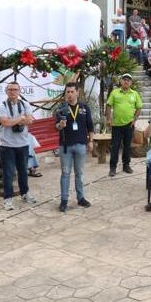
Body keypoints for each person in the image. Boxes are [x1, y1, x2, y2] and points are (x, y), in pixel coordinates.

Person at [55, 82, 93, 213]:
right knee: (65, 173)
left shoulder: (84, 108)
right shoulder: (61, 109)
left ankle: (80, 198)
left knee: (79, 174)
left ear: (77, 92)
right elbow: (57, 127)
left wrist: (91, 141)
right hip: (65, 146)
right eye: (67, 92)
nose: (69, 94)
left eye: (72, 92)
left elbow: (90, 126)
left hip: (81, 145)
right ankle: (64, 200)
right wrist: (60, 124)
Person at [0, 82, 36, 210]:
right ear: (6, 92)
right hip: (7, 145)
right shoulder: (2, 106)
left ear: (19, 91)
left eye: (15, 89)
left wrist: (18, 119)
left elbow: (30, 120)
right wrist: (21, 118)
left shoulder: (25, 104)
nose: (13, 92)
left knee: (23, 171)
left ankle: (25, 193)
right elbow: (5, 122)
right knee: (8, 173)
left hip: (23, 144)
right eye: (10, 89)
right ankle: (8, 199)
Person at [105, 73, 143, 177]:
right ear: (121, 81)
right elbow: (108, 105)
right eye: (124, 79)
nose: (126, 81)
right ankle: (112, 168)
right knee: (115, 147)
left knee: (127, 147)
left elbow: (139, 107)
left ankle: (126, 166)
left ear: (131, 82)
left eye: (128, 80)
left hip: (129, 125)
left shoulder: (134, 94)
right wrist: (108, 119)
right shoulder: (115, 92)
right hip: (116, 125)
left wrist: (134, 120)